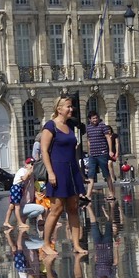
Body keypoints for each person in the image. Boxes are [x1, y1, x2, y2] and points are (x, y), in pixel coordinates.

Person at [39, 96, 87, 256]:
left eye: (71, 106)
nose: (71, 109)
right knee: (56, 209)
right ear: (59, 109)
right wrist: (50, 172)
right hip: (58, 169)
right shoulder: (50, 126)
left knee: (74, 208)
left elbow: (73, 151)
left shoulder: (70, 126)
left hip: (72, 169)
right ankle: (46, 243)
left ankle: (76, 244)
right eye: (68, 106)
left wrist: (80, 173)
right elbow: (44, 151)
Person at [2, 157, 44, 230]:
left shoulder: (32, 174)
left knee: (11, 206)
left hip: (18, 189)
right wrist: (28, 172)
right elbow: (23, 178)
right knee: (16, 207)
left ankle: (6, 221)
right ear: (26, 165)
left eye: (33, 164)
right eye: (30, 164)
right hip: (16, 188)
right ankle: (20, 222)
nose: (32, 166)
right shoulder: (23, 170)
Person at [83, 111, 115, 201]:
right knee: (90, 175)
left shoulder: (102, 126)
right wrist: (89, 152)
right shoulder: (88, 128)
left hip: (102, 153)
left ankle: (111, 193)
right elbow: (89, 140)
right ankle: (88, 195)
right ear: (89, 119)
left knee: (106, 174)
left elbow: (108, 138)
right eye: (93, 118)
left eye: (96, 118)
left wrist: (110, 151)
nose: (95, 120)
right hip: (93, 154)